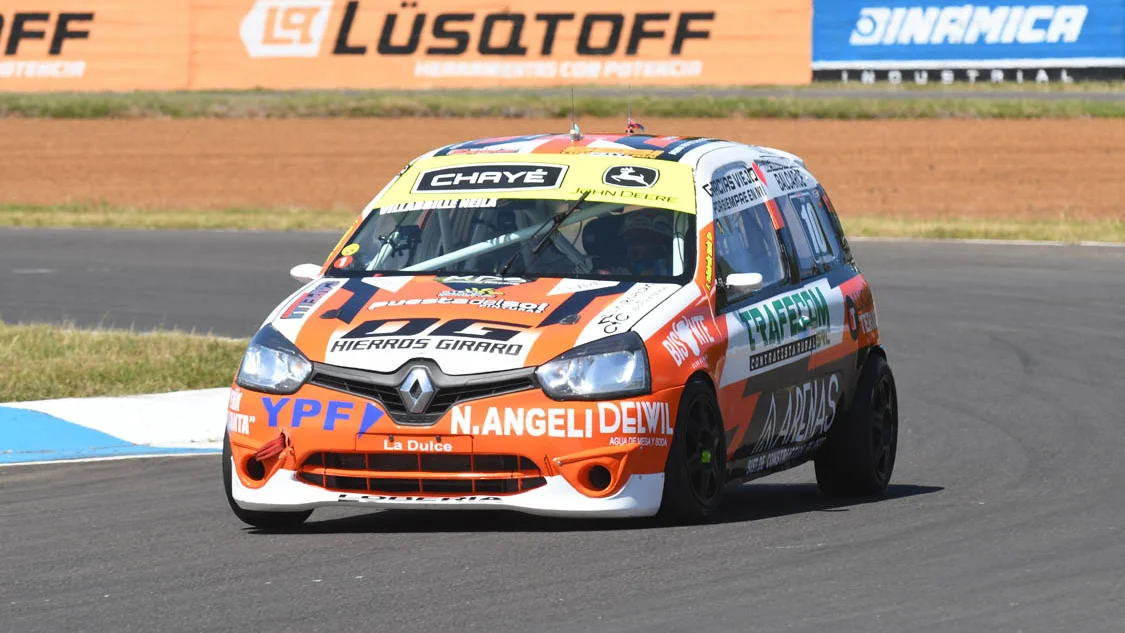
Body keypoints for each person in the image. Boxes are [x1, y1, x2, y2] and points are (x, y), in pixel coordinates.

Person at [617, 209, 673, 276]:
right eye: (629, 241)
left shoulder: (677, 265)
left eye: (638, 239)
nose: (632, 248)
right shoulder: (621, 270)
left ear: (659, 238)